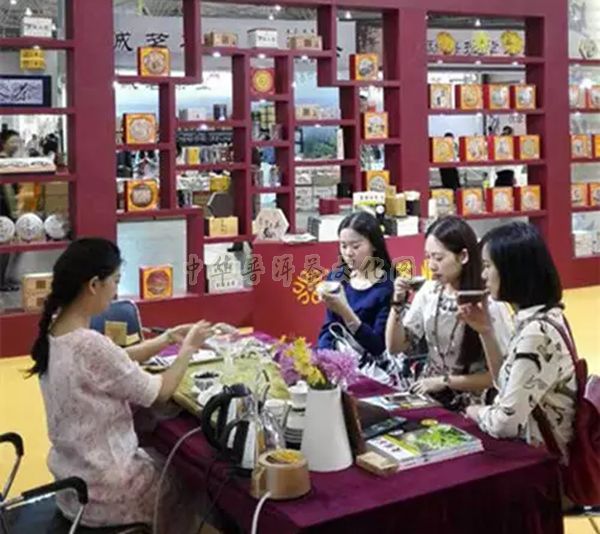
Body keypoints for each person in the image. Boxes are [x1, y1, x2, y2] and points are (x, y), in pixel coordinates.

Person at [29, 238, 212, 532]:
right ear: (93, 285)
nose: (116, 290)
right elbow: (160, 391)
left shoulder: (56, 330)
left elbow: (115, 361)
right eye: (114, 281)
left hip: (72, 483)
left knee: (162, 451)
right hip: (106, 491)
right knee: (188, 477)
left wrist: (166, 339)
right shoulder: (90, 345)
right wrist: (188, 349)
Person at [459, 222, 576, 463]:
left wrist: (475, 411)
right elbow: (505, 383)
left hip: (545, 461)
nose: (482, 275)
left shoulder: (537, 334)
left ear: (512, 270)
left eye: (487, 266)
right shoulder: (541, 317)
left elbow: (505, 423)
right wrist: (486, 332)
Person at [385, 216, 513, 407]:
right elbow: (395, 347)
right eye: (428, 257)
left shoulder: (487, 303)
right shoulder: (429, 291)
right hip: (428, 392)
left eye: (438, 258)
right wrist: (397, 302)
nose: (431, 265)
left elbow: (502, 374)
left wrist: (444, 381)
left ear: (463, 256)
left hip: (473, 402)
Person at [317, 211, 394, 361]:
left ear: (374, 245)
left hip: (369, 365)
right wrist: (323, 358)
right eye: (343, 246)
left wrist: (345, 311)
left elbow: (378, 346)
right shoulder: (337, 278)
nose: (348, 253)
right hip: (336, 359)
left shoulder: (387, 288)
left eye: (356, 246)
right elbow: (329, 328)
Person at [0, 129, 23, 291]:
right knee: (5, 246)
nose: (16, 145)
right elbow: (7, 189)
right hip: (4, 209)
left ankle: (6, 278)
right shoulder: (3, 161)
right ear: (3, 143)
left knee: (12, 246)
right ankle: (2, 281)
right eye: (13, 141)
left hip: (5, 208)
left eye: (18, 141)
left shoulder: (9, 160)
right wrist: (14, 212)